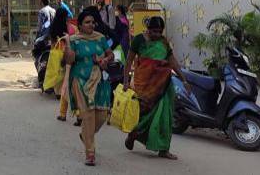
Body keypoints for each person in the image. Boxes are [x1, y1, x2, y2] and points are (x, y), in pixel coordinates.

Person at [123, 15, 189, 160]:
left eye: (159, 32)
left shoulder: (164, 43)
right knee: (145, 114)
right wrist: (126, 81)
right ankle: (134, 134)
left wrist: (184, 79)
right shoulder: (138, 40)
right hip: (145, 85)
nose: (157, 35)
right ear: (148, 29)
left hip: (163, 85)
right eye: (154, 32)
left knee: (165, 116)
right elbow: (128, 61)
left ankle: (164, 149)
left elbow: (172, 62)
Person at [64, 9, 114, 166]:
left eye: (93, 22)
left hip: (100, 80)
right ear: (80, 25)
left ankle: (86, 135)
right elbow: (69, 60)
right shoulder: (74, 40)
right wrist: (67, 44)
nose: (91, 25)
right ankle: (90, 153)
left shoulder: (100, 38)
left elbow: (110, 54)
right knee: (88, 115)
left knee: (102, 115)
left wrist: (106, 59)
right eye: (87, 22)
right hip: (80, 80)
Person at [49, 7, 76, 121]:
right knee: (72, 85)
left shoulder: (53, 28)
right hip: (70, 57)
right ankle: (78, 114)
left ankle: (62, 112)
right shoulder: (71, 28)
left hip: (58, 55)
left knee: (62, 80)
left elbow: (52, 43)